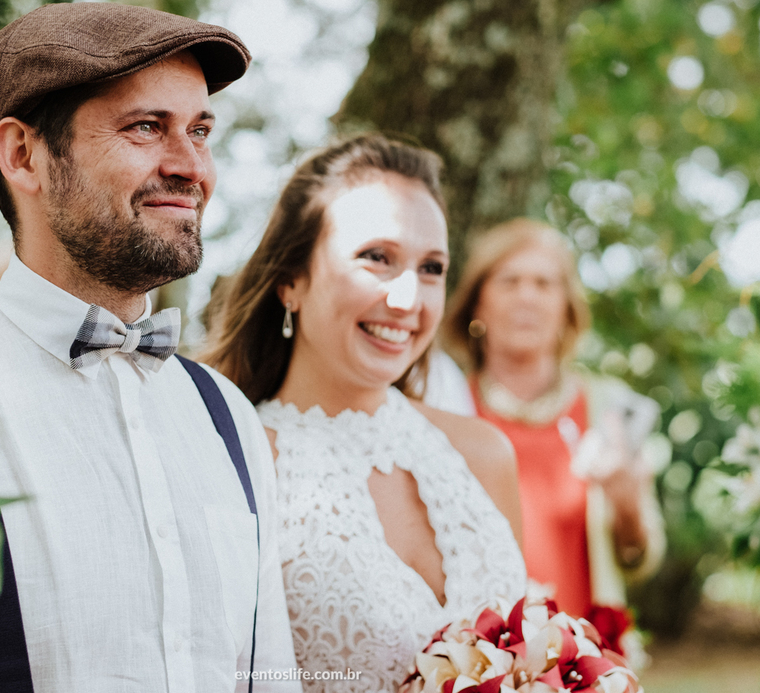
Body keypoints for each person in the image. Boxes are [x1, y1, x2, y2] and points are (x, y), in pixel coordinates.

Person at [0, 3, 299, 693]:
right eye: (145, 128)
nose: (191, 166)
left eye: (200, 131)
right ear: (24, 155)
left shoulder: (226, 416)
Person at [203, 135, 526, 692]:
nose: (408, 299)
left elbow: (527, 646)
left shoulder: (483, 453)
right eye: (376, 258)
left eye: (431, 268)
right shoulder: (233, 463)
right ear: (291, 281)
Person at [441, 218, 664, 621]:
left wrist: (628, 508)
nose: (527, 297)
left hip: (587, 668)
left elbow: (640, 563)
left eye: (544, 284)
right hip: (478, 666)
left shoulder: (608, 408)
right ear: (477, 304)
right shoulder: (447, 407)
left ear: (566, 309)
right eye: (509, 282)